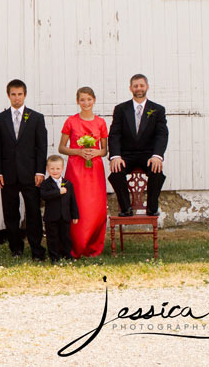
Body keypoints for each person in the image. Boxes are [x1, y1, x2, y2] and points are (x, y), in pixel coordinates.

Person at [0, 79, 47, 260]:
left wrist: (40, 171)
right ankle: (16, 248)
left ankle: (37, 248)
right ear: (8, 95)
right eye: (13, 94)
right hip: (8, 175)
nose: (16, 98)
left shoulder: (36, 117)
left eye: (20, 94)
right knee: (11, 213)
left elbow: (41, 147)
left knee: (33, 212)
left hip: (30, 174)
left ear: (25, 95)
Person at [108, 74, 169, 216]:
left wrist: (157, 156)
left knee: (156, 171)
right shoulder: (121, 109)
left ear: (147, 86)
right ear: (130, 88)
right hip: (126, 155)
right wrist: (115, 156)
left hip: (148, 155)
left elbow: (162, 134)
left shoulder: (158, 109)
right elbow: (115, 134)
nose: (139, 88)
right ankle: (126, 208)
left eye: (141, 85)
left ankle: (152, 208)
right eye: (135, 86)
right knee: (116, 172)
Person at [58, 87, 108, 257]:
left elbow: (104, 150)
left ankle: (93, 245)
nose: (86, 103)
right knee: (77, 204)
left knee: (95, 207)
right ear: (78, 101)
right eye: (82, 100)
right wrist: (78, 151)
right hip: (76, 168)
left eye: (89, 99)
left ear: (94, 100)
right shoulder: (71, 121)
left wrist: (96, 152)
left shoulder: (100, 122)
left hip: (95, 169)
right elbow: (62, 148)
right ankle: (76, 245)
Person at [40, 155, 79, 264]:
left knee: (66, 237)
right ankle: (54, 256)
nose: (55, 171)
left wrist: (75, 215)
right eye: (52, 169)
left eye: (57, 168)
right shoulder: (45, 184)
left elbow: (73, 201)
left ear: (62, 169)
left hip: (65, 216)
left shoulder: (68, 184)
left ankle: (67, 254)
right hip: (51, 217)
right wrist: (58, 192)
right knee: (52, 238)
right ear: (48, 169)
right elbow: (44, 195)